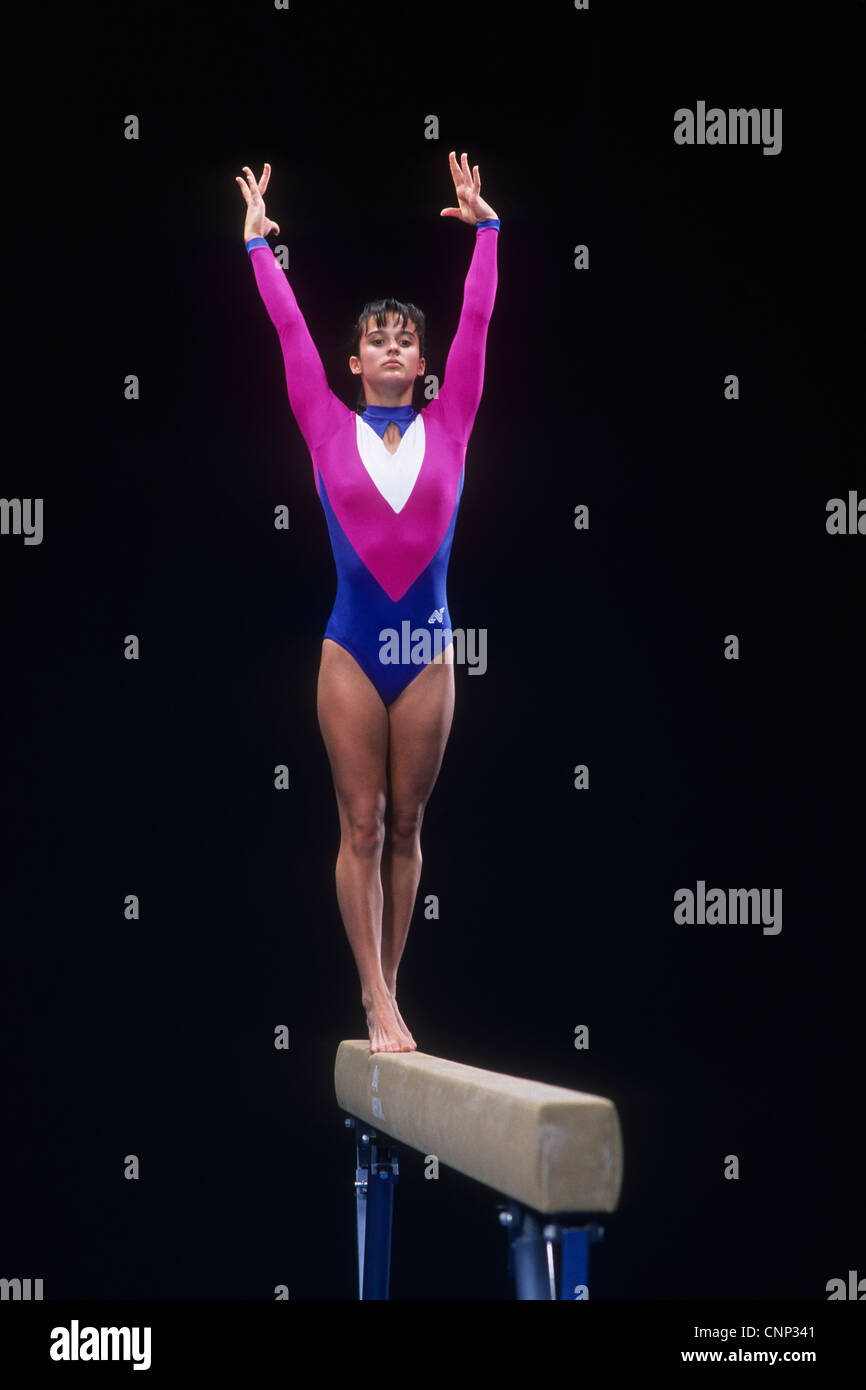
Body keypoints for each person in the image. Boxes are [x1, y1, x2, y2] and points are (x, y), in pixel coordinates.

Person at [236, 153, 499, 1051]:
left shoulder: (451, 418)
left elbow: (478, 321)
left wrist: (486, 232)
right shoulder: (323, 419)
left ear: (423, 366)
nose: (392, 344)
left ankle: (393, 986)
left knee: (409, 823)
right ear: (355, 362)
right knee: (361, 820)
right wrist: (260, 248)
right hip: (351, 648)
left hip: (425, 647)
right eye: (376, 336)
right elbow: (288, 334)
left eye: (404, 338)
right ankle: (374, 997)